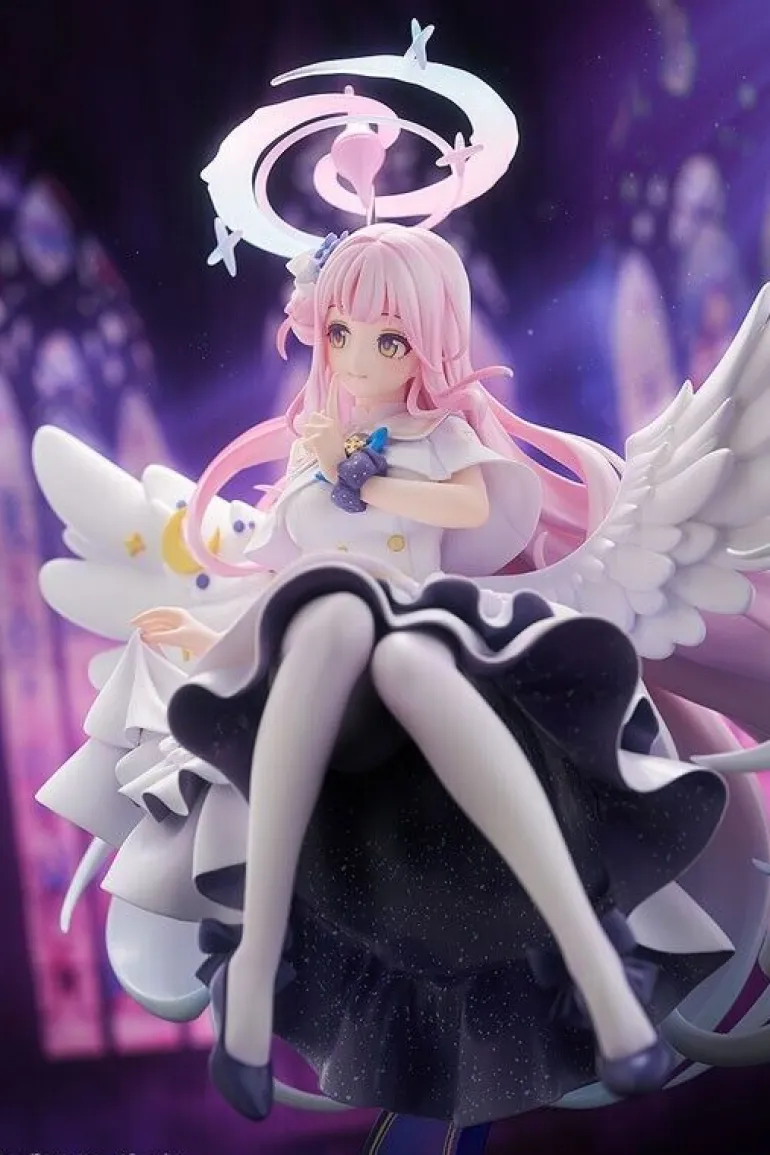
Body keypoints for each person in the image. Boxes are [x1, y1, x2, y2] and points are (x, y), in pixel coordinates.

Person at [32, 24, 770, 1133]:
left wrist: (377, 478)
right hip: (331, 685)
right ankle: (252, 977)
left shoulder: (442, 445)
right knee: (327, 616)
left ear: (428, 343)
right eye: (343, 334)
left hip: (438, 656)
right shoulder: (309, 460)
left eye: (389, 340)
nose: (363, 358)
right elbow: (275, 570)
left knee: (406, 648)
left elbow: (485, 513)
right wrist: (207, 628)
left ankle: (601, 977)